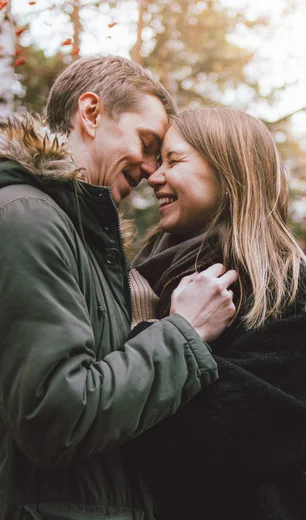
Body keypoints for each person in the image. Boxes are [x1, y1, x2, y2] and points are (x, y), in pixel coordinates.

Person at [0, 56, 238, 520]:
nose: (152, 172)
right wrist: (183, 333)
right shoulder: (30, 219)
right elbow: (56, 419)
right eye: (147, 144)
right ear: (90, 114)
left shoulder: (76, 237)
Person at [126, 107, 306, 520]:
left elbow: (240, 433)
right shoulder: (144, 278)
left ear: (229, 171)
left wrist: (153, 333)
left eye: (175, 160)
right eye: (158, 161)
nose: (154, 176)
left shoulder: (283, 284)